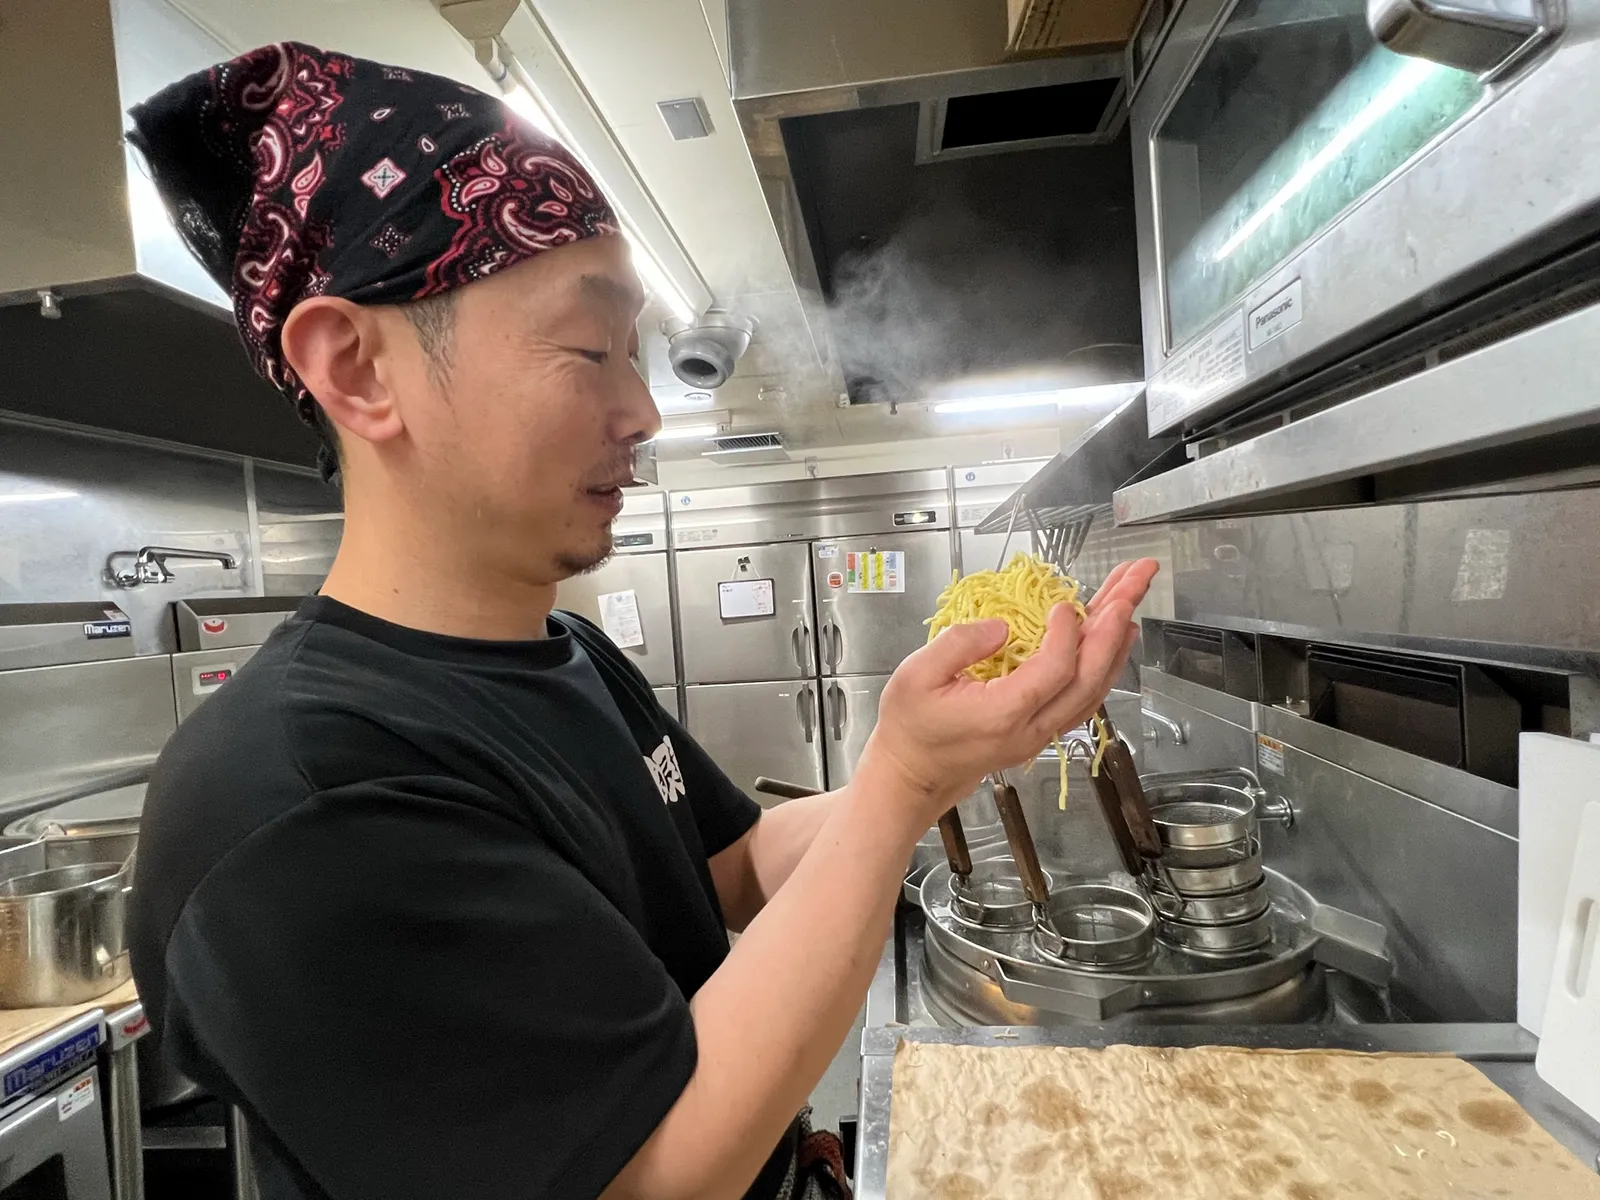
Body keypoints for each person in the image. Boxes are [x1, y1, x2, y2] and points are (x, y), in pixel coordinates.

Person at [126, 42, 1159, 1200]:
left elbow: (730, 871)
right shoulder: (301, 797)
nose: (643, 410)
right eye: (589, 347)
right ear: (358, 371)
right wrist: (902, 790)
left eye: (638, 352)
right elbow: (647, 1176)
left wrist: (944, 757)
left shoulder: (567, 657)